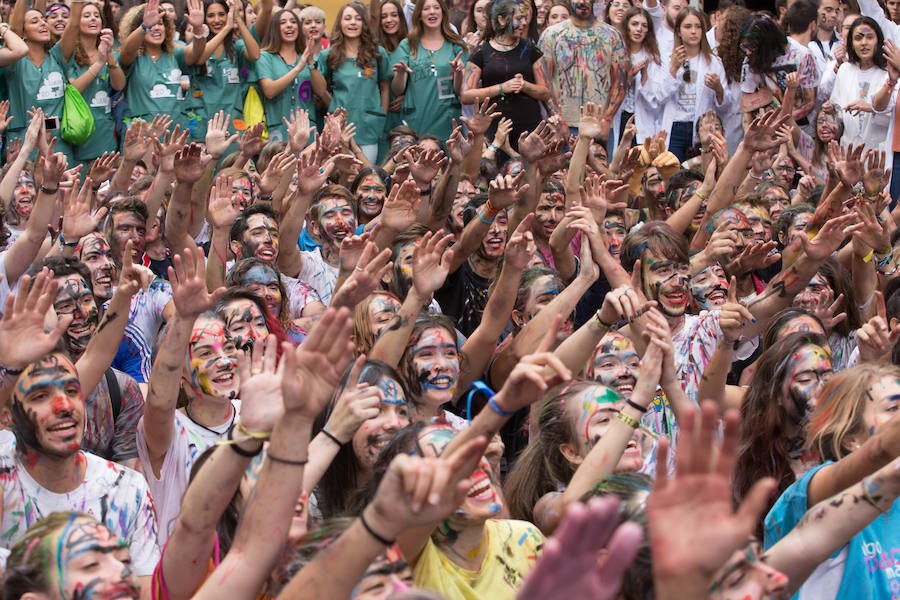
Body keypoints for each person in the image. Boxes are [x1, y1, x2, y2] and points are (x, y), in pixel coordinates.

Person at [462, 0, 549, 153]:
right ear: (501, 19)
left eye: (525, 18)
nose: (523, 23)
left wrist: (524, 85)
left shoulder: (530, 49)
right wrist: (502, 88)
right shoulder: (481, 51)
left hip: (528, 129)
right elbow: (466, 95)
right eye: (518, 18)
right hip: (494, 129)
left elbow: (545, 92)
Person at [538, 0, 628, 137]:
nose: (582, 2)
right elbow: (544, 81)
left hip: (598, 125)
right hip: (562, 126)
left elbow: (620, 82)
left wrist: (606, 119)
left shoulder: (612, 35)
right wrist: (557, 119)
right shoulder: (551, 34)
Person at [316, 1, 390, 163]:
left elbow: (385, 88)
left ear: (364, 23)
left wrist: (381, 118)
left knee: (367, 173)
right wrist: (333, 105)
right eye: (348, 18)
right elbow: (320, 89)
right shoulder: (328, 55)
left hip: (369, 128)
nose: (353, 22)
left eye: (358, 18)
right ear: (340, 23)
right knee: (339, 175)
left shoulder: (377, 53)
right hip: (339, 129)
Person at [118, 0, 207, 135]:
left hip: (175, 133)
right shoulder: (133, 57)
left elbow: (196, 52)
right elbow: (126, 51)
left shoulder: (175, 54)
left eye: (160, 24)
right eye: (152, 24)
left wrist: (198, 29)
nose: (156, 28)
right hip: (141, 135)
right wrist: (145, 26)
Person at [390, 0, 466, 144]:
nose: (432, 12)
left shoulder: (456, 45)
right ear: (419, 15)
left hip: (447, 120)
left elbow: (459, 90)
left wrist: (458, 73)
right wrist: (400, 74)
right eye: (426, 8)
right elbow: (397, 90)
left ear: (443, 13)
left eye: (436, 7)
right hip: (416, 120)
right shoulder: (408, 45)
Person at [58, 0, 124, 165]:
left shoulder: (108, 53)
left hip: (104, 134)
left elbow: (119, 85)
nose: (93, 19)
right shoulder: (69, 54)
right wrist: (99, 63)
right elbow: (74, 88)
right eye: (86, 16)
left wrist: (108, 54)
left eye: (96, 16)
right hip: (79, 132)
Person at [659, 8, 729, 161]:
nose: (693, 31)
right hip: (675, 126)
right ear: (678, 31)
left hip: (702, 128)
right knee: (672, 170)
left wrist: (718, 88)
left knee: (701, 170)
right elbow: (658, 97)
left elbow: (725, 105)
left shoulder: (713, 62)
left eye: (698, 27)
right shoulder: (667, 59)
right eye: (688, 26)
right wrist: (673, 69)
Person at [191, 0, 260, 141]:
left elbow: (255, 55)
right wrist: (226, 29)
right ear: (204, 19)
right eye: (211, 15)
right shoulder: (198, 46)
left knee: (233, 155)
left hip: (232, 118)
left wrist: (237, 19)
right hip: (202, 119)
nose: (217, 20)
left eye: (222, 14)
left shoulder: (236, 46)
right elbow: (199, 59)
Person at [254, 8, 317, 144]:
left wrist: (311, 61)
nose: (289, 25)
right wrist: (298, 68)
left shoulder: (308, 57)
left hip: (307, 129)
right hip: (278, 129)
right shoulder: (265, 57)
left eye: (293, 22)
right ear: (274, 29)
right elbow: (269, 91)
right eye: (283, 22)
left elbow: (321, 91)